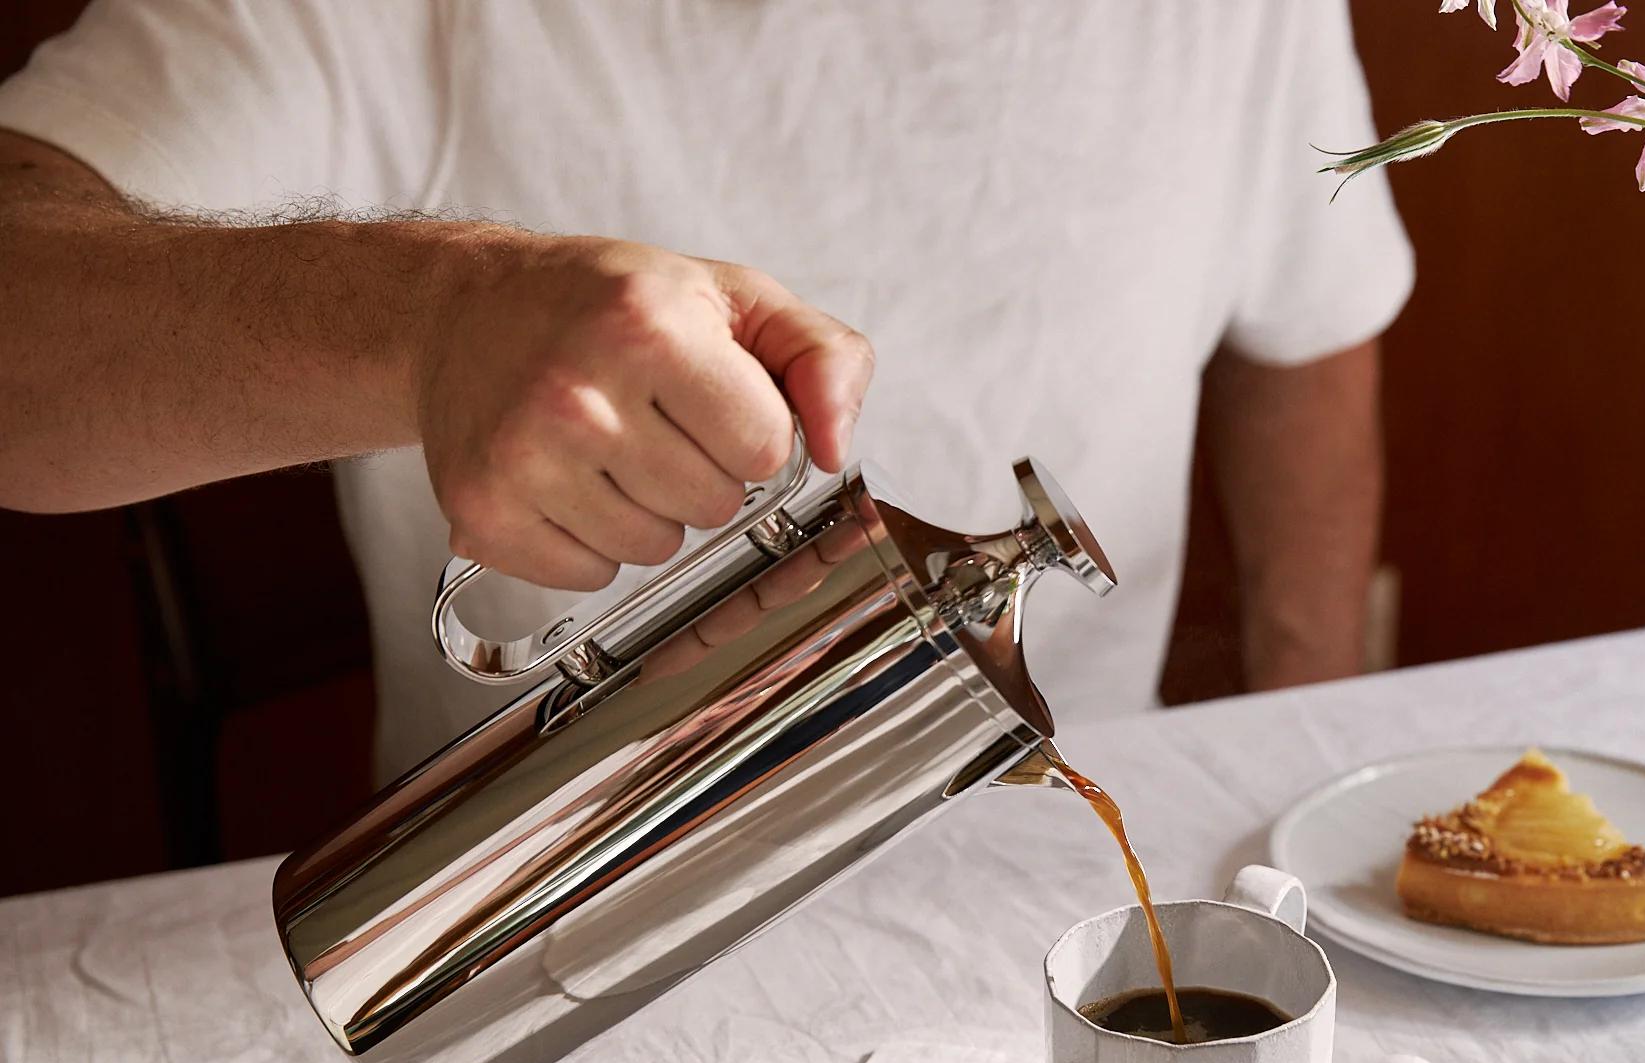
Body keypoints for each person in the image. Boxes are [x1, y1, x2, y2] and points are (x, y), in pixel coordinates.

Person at [0, 0, 1411, 783]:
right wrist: (432, 324)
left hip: (1059, 881)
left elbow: (1309, 335)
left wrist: (1309, 764)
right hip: (552, 942)